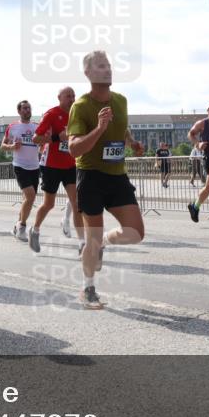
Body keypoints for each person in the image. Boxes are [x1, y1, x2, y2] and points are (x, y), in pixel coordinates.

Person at [67, 50, 145, 309]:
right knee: (91, 238)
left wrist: (131, 142)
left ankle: (105, 242)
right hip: (91, 177)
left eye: (109, 65)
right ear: (88, 73)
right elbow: (74, 148)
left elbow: (122, 127)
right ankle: (88, 288)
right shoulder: (81, 106)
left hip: (117, 175)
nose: (108, 69)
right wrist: (99, 129)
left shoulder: (121, 100)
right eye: (101, 66)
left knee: (136, 233)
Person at [31, 86, 82, 252]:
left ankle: (82, 243)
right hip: (51, 165)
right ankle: (35, 230)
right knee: (49, 204)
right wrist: (56, 137)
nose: (72, 98)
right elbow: (36, 138)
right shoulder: (51, 114)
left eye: (73, 95)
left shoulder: (77, 114)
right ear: (59, 98)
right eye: (68, 96)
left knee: (76, 202)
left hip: (70, 164)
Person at [1, 100, 40, 242]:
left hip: (35, 166)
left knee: (27, 199)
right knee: (30, 197)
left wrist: (42, 143)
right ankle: (22, 227)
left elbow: (43, 142)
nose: (27, 110)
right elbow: (3, 145)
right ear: (19, 111)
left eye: (29, 108)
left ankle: (17, 226)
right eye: (24, 108)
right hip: (20, 165)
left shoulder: (37, 126)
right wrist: (12, 146)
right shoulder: (13, 127)